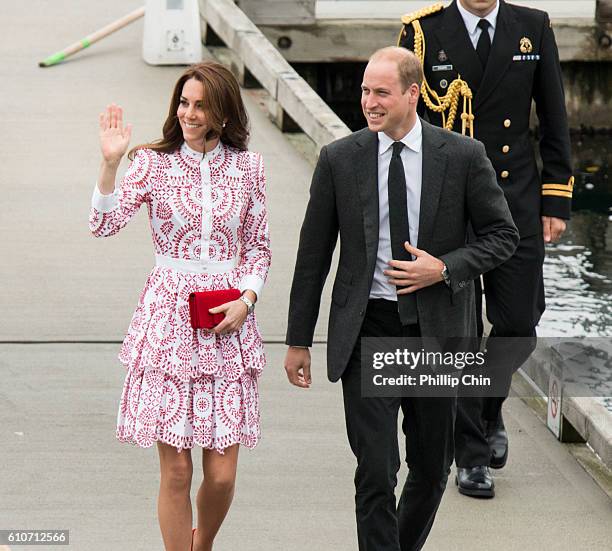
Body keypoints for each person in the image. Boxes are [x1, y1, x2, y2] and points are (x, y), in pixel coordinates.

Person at [284, 47, 518, 551]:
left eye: (380, 93)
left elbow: (502, 236)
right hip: (369, 327)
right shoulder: (339, 159)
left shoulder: (461, 156)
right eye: (366, 91)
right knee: (375, 470)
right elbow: (312, 256)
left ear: (413, 94)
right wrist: (298, 340)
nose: (368, 101)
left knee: (432, 470)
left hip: (436, 334)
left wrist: (445, 268)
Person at [88, 61, 271, 551]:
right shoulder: (152, 162)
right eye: (183, 103)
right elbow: (103, 224)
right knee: (177, 471)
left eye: (200, 104)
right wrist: (110, 165)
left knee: (222, 476)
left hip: (227, 320)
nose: (189, 113)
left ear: (224, 110)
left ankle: (202, 542)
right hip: (168, 321)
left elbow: (258, 248)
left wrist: (247, 301)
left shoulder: (248, 167)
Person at [398, 0, 573, 498]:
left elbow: (553, 116)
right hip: (446, 200)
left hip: (514, 198)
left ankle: (486, 408)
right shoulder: (423, 31)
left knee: (519, 323)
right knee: (458, 332)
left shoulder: (531, 27)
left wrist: (555, 199)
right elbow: (402, 117)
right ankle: (471, 456)